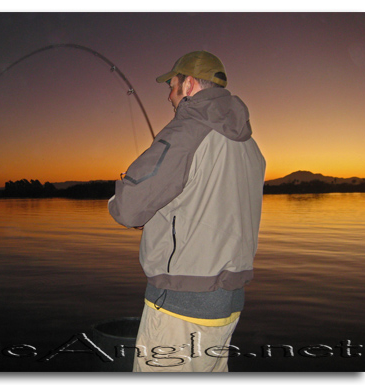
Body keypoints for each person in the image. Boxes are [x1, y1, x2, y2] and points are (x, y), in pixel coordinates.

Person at [108, 51, 266, 372]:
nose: (169, 95)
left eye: (172, 85)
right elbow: (207, 203)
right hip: (229, 302)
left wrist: (123, 196)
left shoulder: (185, 132)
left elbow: (128, 210)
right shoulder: (250, 146)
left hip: (181, 304)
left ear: (189, 84)